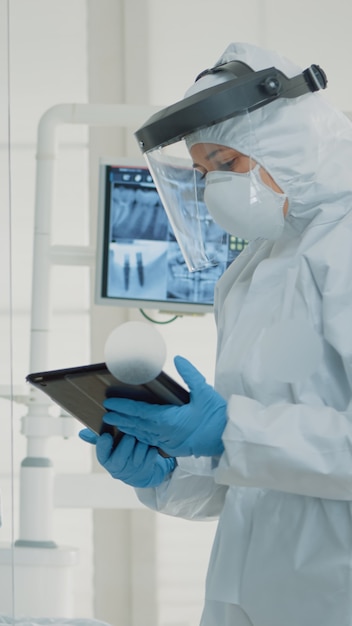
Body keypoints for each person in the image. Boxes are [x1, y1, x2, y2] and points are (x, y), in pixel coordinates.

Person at [79, 42, 352, 626]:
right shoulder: (248, 274)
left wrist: (230, 431)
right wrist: (168, 467)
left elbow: (251, 440)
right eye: (202, 173)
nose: (212, 189)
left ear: (288, 144)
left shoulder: (345, 247)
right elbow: (251, 475)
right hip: (246, 593)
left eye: (226, 165)